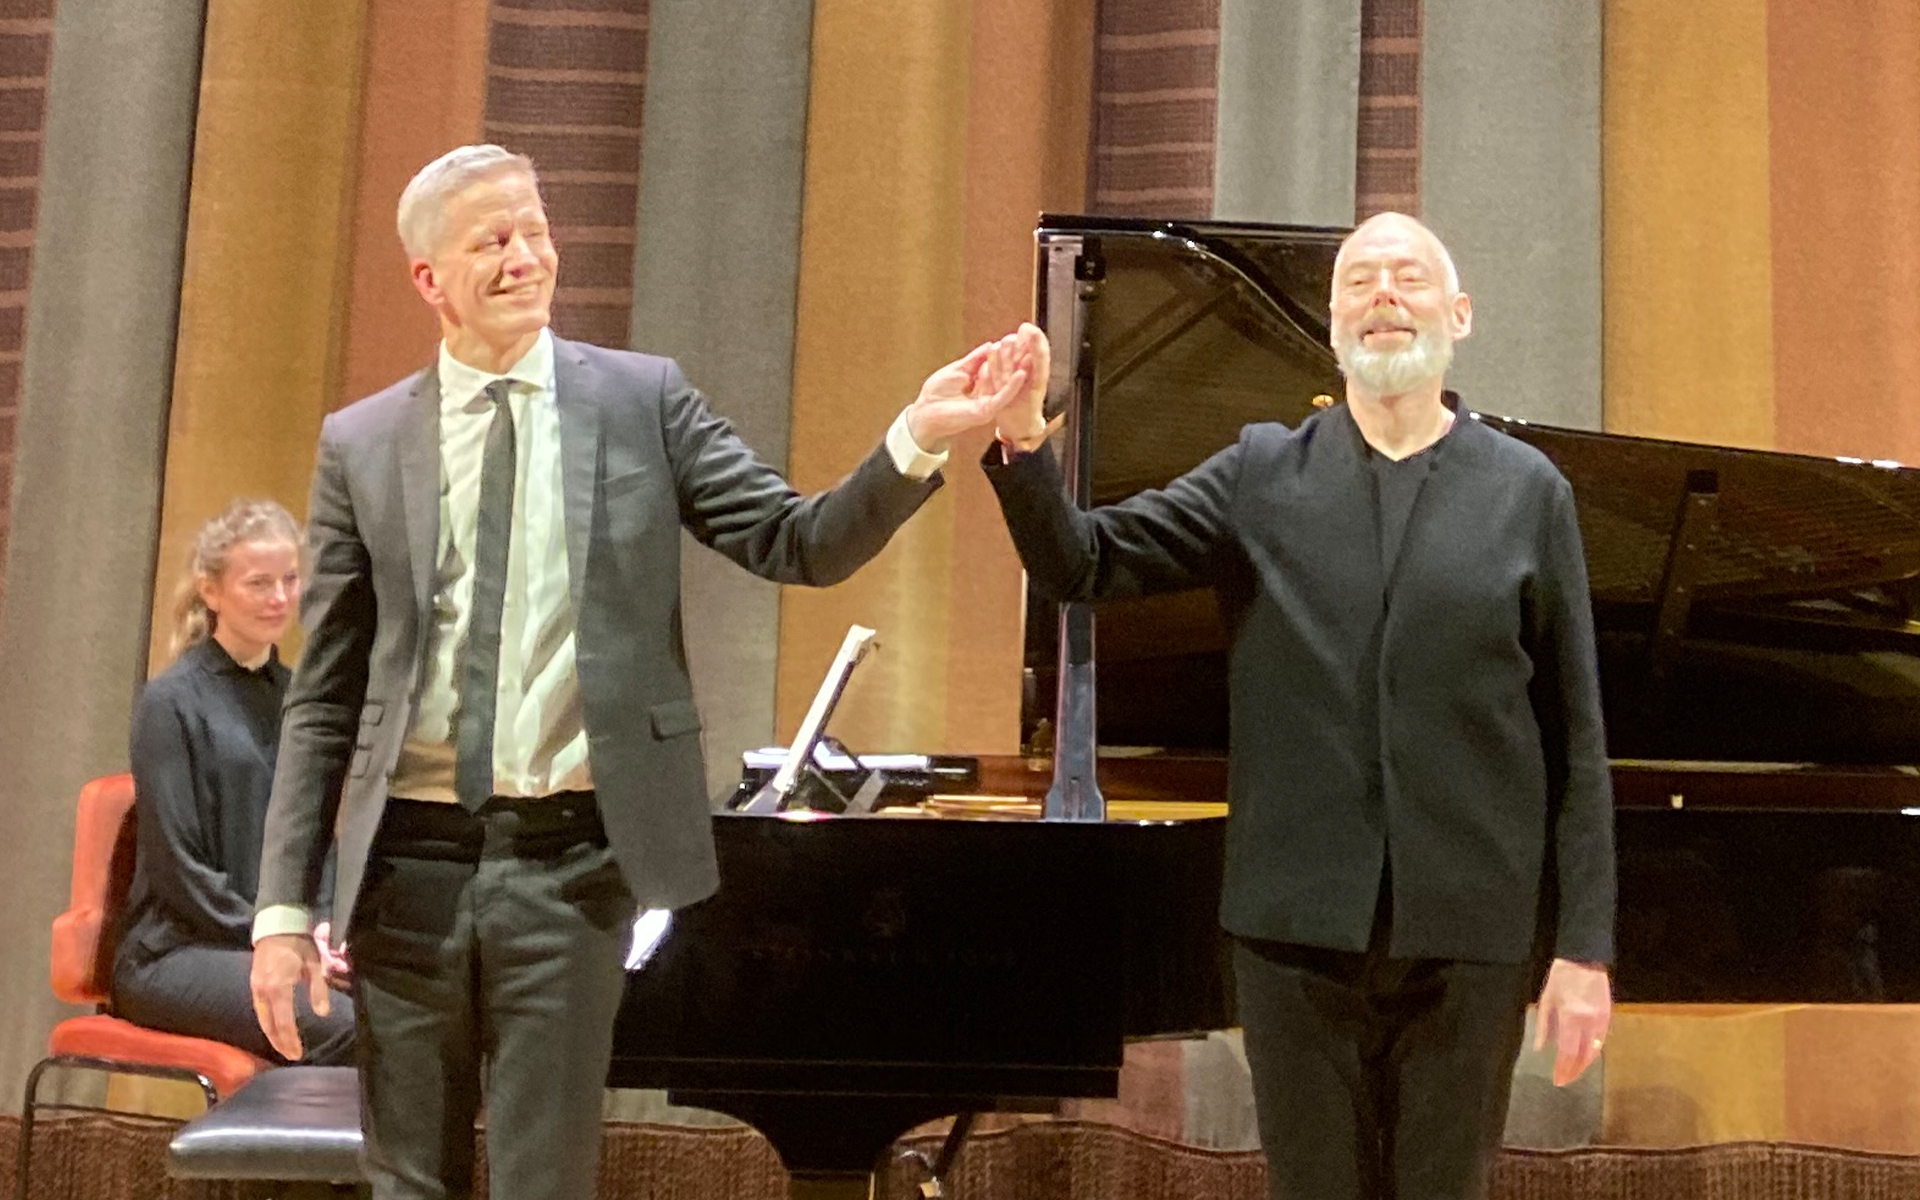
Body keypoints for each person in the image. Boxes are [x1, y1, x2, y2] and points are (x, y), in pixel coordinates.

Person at [246, 144, 1037, 1200]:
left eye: (535, 230)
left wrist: (914, 441)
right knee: (408, 1182)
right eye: (493, 241)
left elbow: (797, 543)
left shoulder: (640, 401)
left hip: (570, 866)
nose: (527, 256)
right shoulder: (364, 442)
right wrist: (282, 913)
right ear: (428, 279)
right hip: (406, 871)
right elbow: (324, 695)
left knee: (545, 1180)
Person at [979, 213, 1615, 1200]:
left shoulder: (1529, 492)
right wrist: (1024, 447)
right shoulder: (1261, 473)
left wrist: (1583, 950)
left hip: (1473, 932)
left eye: (1409, 276)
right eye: (1360, 280)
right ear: (1331, 323)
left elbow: (1577, 743)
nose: (1385, 296)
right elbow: (1082, 562)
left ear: (1460, 314)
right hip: (1293, 934)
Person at [114, 499, 354, 1065]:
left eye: (289, 580)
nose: (278, 598)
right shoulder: (170, 702)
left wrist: (319, 927)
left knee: (421, 1013)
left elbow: (319, 839)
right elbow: (181, 871)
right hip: (176, 952)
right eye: (258, 583)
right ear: (211, 590)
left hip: (274, 943)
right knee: (345, 1026)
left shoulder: (301, 696)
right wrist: (275, 938)